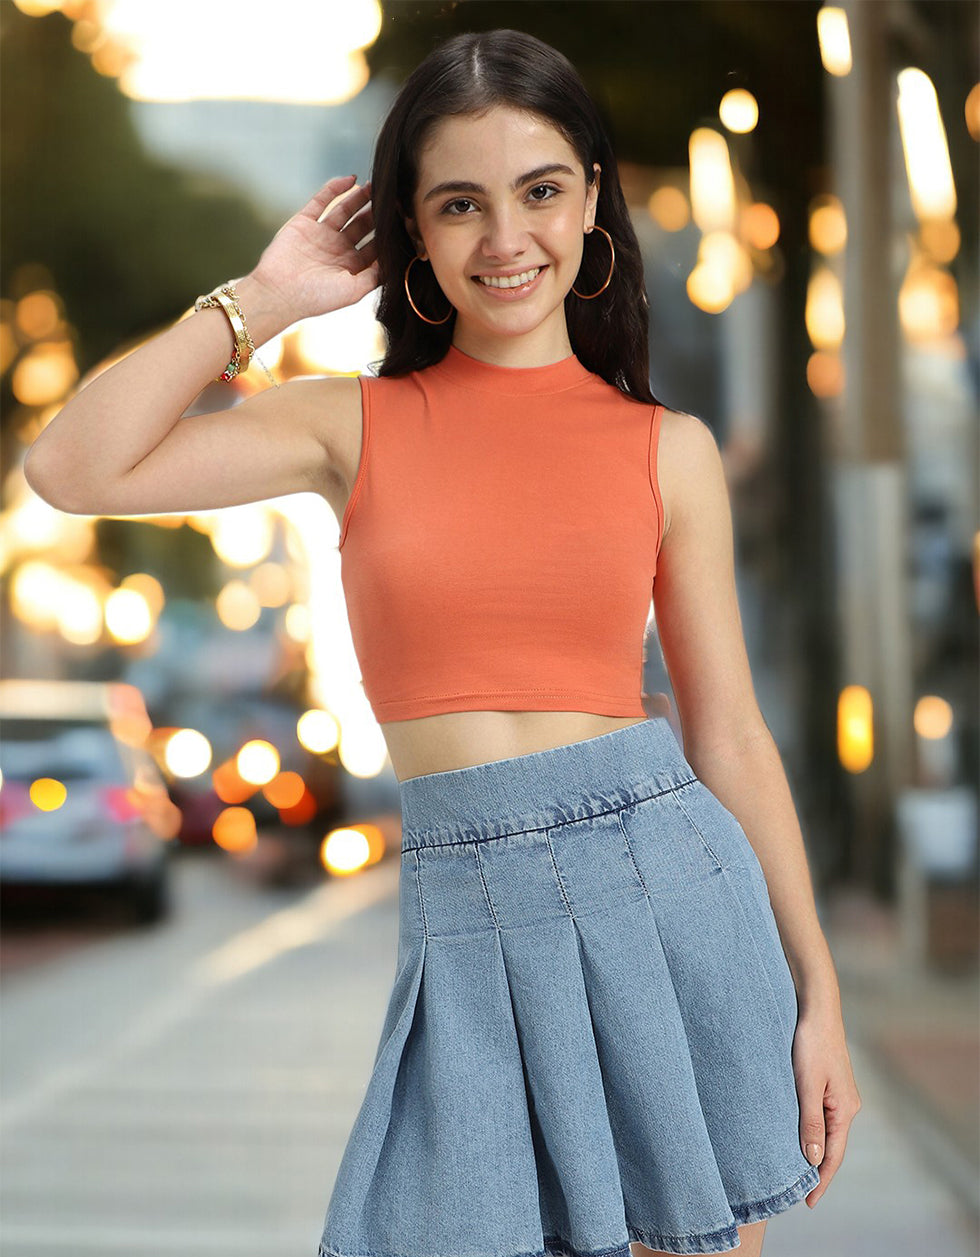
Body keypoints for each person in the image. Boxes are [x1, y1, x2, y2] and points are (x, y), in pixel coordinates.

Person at [24, 27, 861, 1257]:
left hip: (673, 895)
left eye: (539, 192)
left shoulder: (665, 450)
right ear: (412, 232)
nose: (504, 238)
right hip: (464, 908)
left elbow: (726, 731)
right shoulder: (346, 427)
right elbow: (69, 466)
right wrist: (262, 301)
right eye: (458, 204)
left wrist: (819, 997)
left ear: (590, 205)